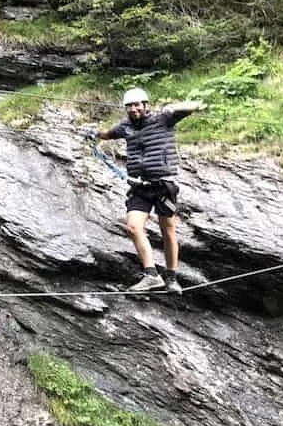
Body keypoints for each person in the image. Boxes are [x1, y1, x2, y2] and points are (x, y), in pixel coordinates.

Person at [85, 87, 206, 294]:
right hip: (139, 186)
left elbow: (194, 106)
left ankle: (171, 277)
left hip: (163, 184)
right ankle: (151, 275)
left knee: (168, 231)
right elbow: (108, 134)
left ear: (145, 105)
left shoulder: (163, 119)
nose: (133, 109)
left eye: (137, 105)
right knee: (133, 227)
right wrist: (94, 133)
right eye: (129, 106)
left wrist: (173, 107)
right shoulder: (126, 126)